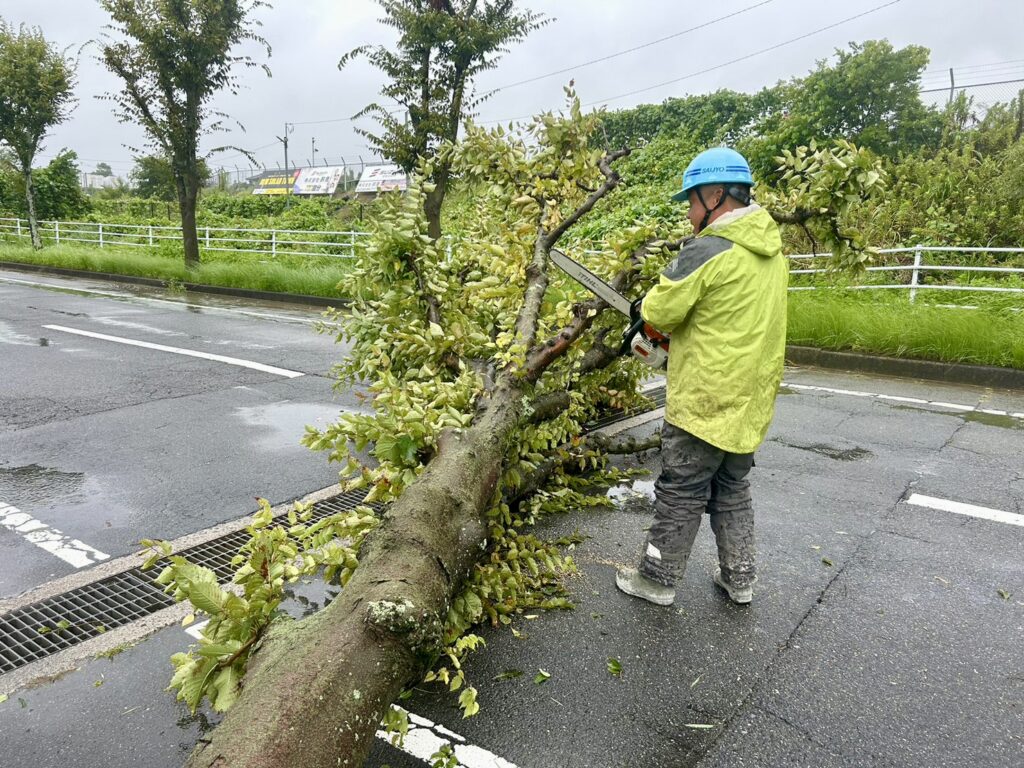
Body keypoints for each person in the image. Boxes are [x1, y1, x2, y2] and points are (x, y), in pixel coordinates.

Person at [615, 146, 788, 606]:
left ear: (715, 195)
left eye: (692, 201)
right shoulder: (771, 252)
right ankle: (740, 578)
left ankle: (656, 579)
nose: (690, 212)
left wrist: (649, 325)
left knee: (682, 488)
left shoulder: (710, 248)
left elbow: (659, 308)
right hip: (750, 399)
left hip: (706, 398)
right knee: (732, 487)